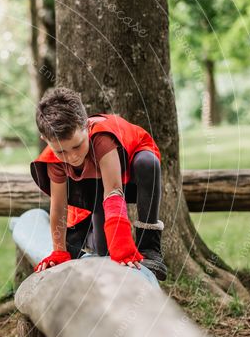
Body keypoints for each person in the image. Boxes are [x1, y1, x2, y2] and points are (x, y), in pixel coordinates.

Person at [29, 87, 167, 280]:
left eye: (77, 145)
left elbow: (113, 191)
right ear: (46, 140)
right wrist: (59, 251)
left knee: (147, 163)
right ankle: (96, 239)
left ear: (86, 126)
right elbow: (59, 208)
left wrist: (122, 243)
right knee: (105, 252)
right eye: (62, 152)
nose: (72, 156)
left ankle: (150, 247)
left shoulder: (102, 140)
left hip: (132, 169)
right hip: (96, 181)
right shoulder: (55, 162)